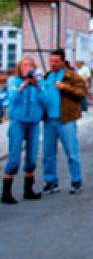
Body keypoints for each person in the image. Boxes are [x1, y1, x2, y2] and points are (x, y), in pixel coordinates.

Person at [41, 49, 87, 195]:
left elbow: (82, 92)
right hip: (49, 119)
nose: (52, 64)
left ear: (62, 61)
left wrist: (65, 87)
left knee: (71, 152)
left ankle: (76, 180)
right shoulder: (47, 76)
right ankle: (51, 181)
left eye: (55, 61)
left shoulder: (71, 76)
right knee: (48, 153)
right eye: (51, 61)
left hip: (65, 119)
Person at [2, 57, 45, 204]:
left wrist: (37, 86)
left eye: (31, 65)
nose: (28, 67)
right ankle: (6, 193)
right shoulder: (13, 81)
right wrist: (24, 85)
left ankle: (28, 190)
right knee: (14, 158)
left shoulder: (39, 82)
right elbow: (12, 99)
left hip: (33, 122)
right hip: (18, 122)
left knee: (32, 157)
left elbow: (45, 100)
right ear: (20, 67)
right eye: (25, 65)